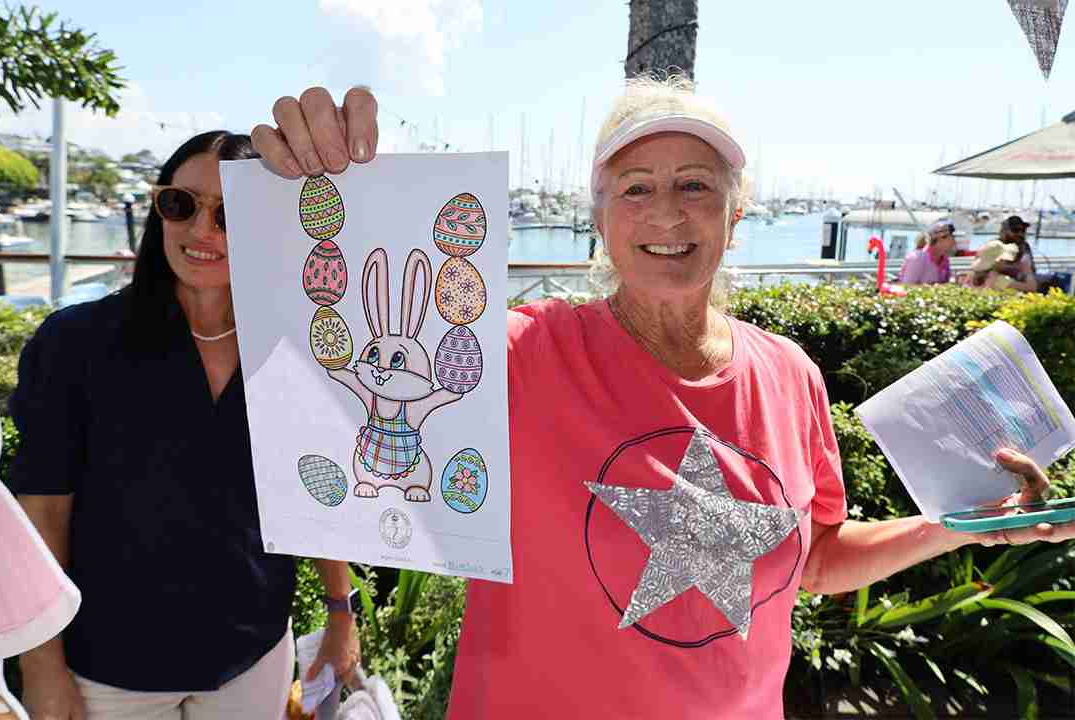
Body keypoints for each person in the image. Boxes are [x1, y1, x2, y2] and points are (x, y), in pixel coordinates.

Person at [253, 80, 1075, 719]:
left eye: (695, 184)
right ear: (600, 216)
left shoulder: (789, 374)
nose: (668, 212)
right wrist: (317, 194)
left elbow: (817, 560)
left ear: (736, 211)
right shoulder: (522, 354)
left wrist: (959, 524)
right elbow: (336, 356)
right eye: (637, 188)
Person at [11, 131, 359, 720]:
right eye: (181, 204)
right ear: (159, 209)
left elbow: (321, 490)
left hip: (252, 656)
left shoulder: (298, 350)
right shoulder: (74, 344)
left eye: (230, 213)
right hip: (107, 667)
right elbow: (42, 510)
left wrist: (340, 613)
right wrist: (41, 664)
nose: (202, 230)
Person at [896, 219, 955, 285]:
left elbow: (945, 284)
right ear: (940, 238)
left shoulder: (944, 260)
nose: (954, 241)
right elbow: (907, 286)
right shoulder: (917, 258)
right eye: (952, 236)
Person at [993, 215, 1038, 292]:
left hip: (1024, 282)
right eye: (1015, 230)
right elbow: (994, 270)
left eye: (1023, 230)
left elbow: (1031, 269)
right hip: (1004, 285)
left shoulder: (1025, 246)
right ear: (1005, 231)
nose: (1020, 233)